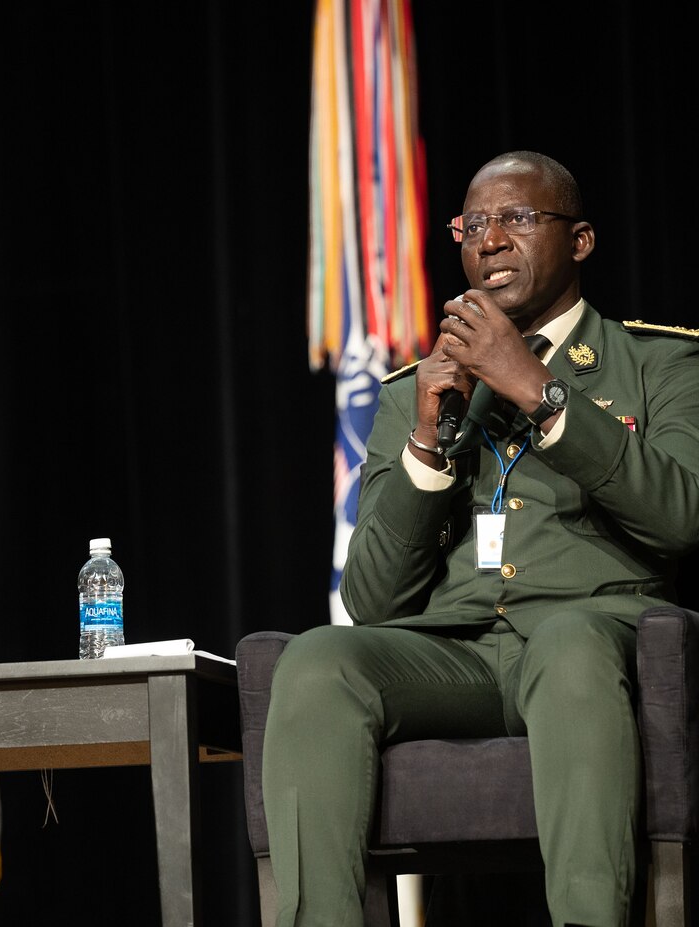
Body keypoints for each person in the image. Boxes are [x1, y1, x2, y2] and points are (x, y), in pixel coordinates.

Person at [262, 150, 699, 927]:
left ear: (582, 241)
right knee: (319, 658)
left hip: (592, 639)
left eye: (518, 219)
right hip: (455, 654)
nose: (489, 240)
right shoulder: (414, 391)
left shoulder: (659, 362)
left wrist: (538, 389)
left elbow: (682, 516)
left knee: (567, 642)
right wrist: (429, 440)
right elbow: (372, 599)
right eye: (474, 225)